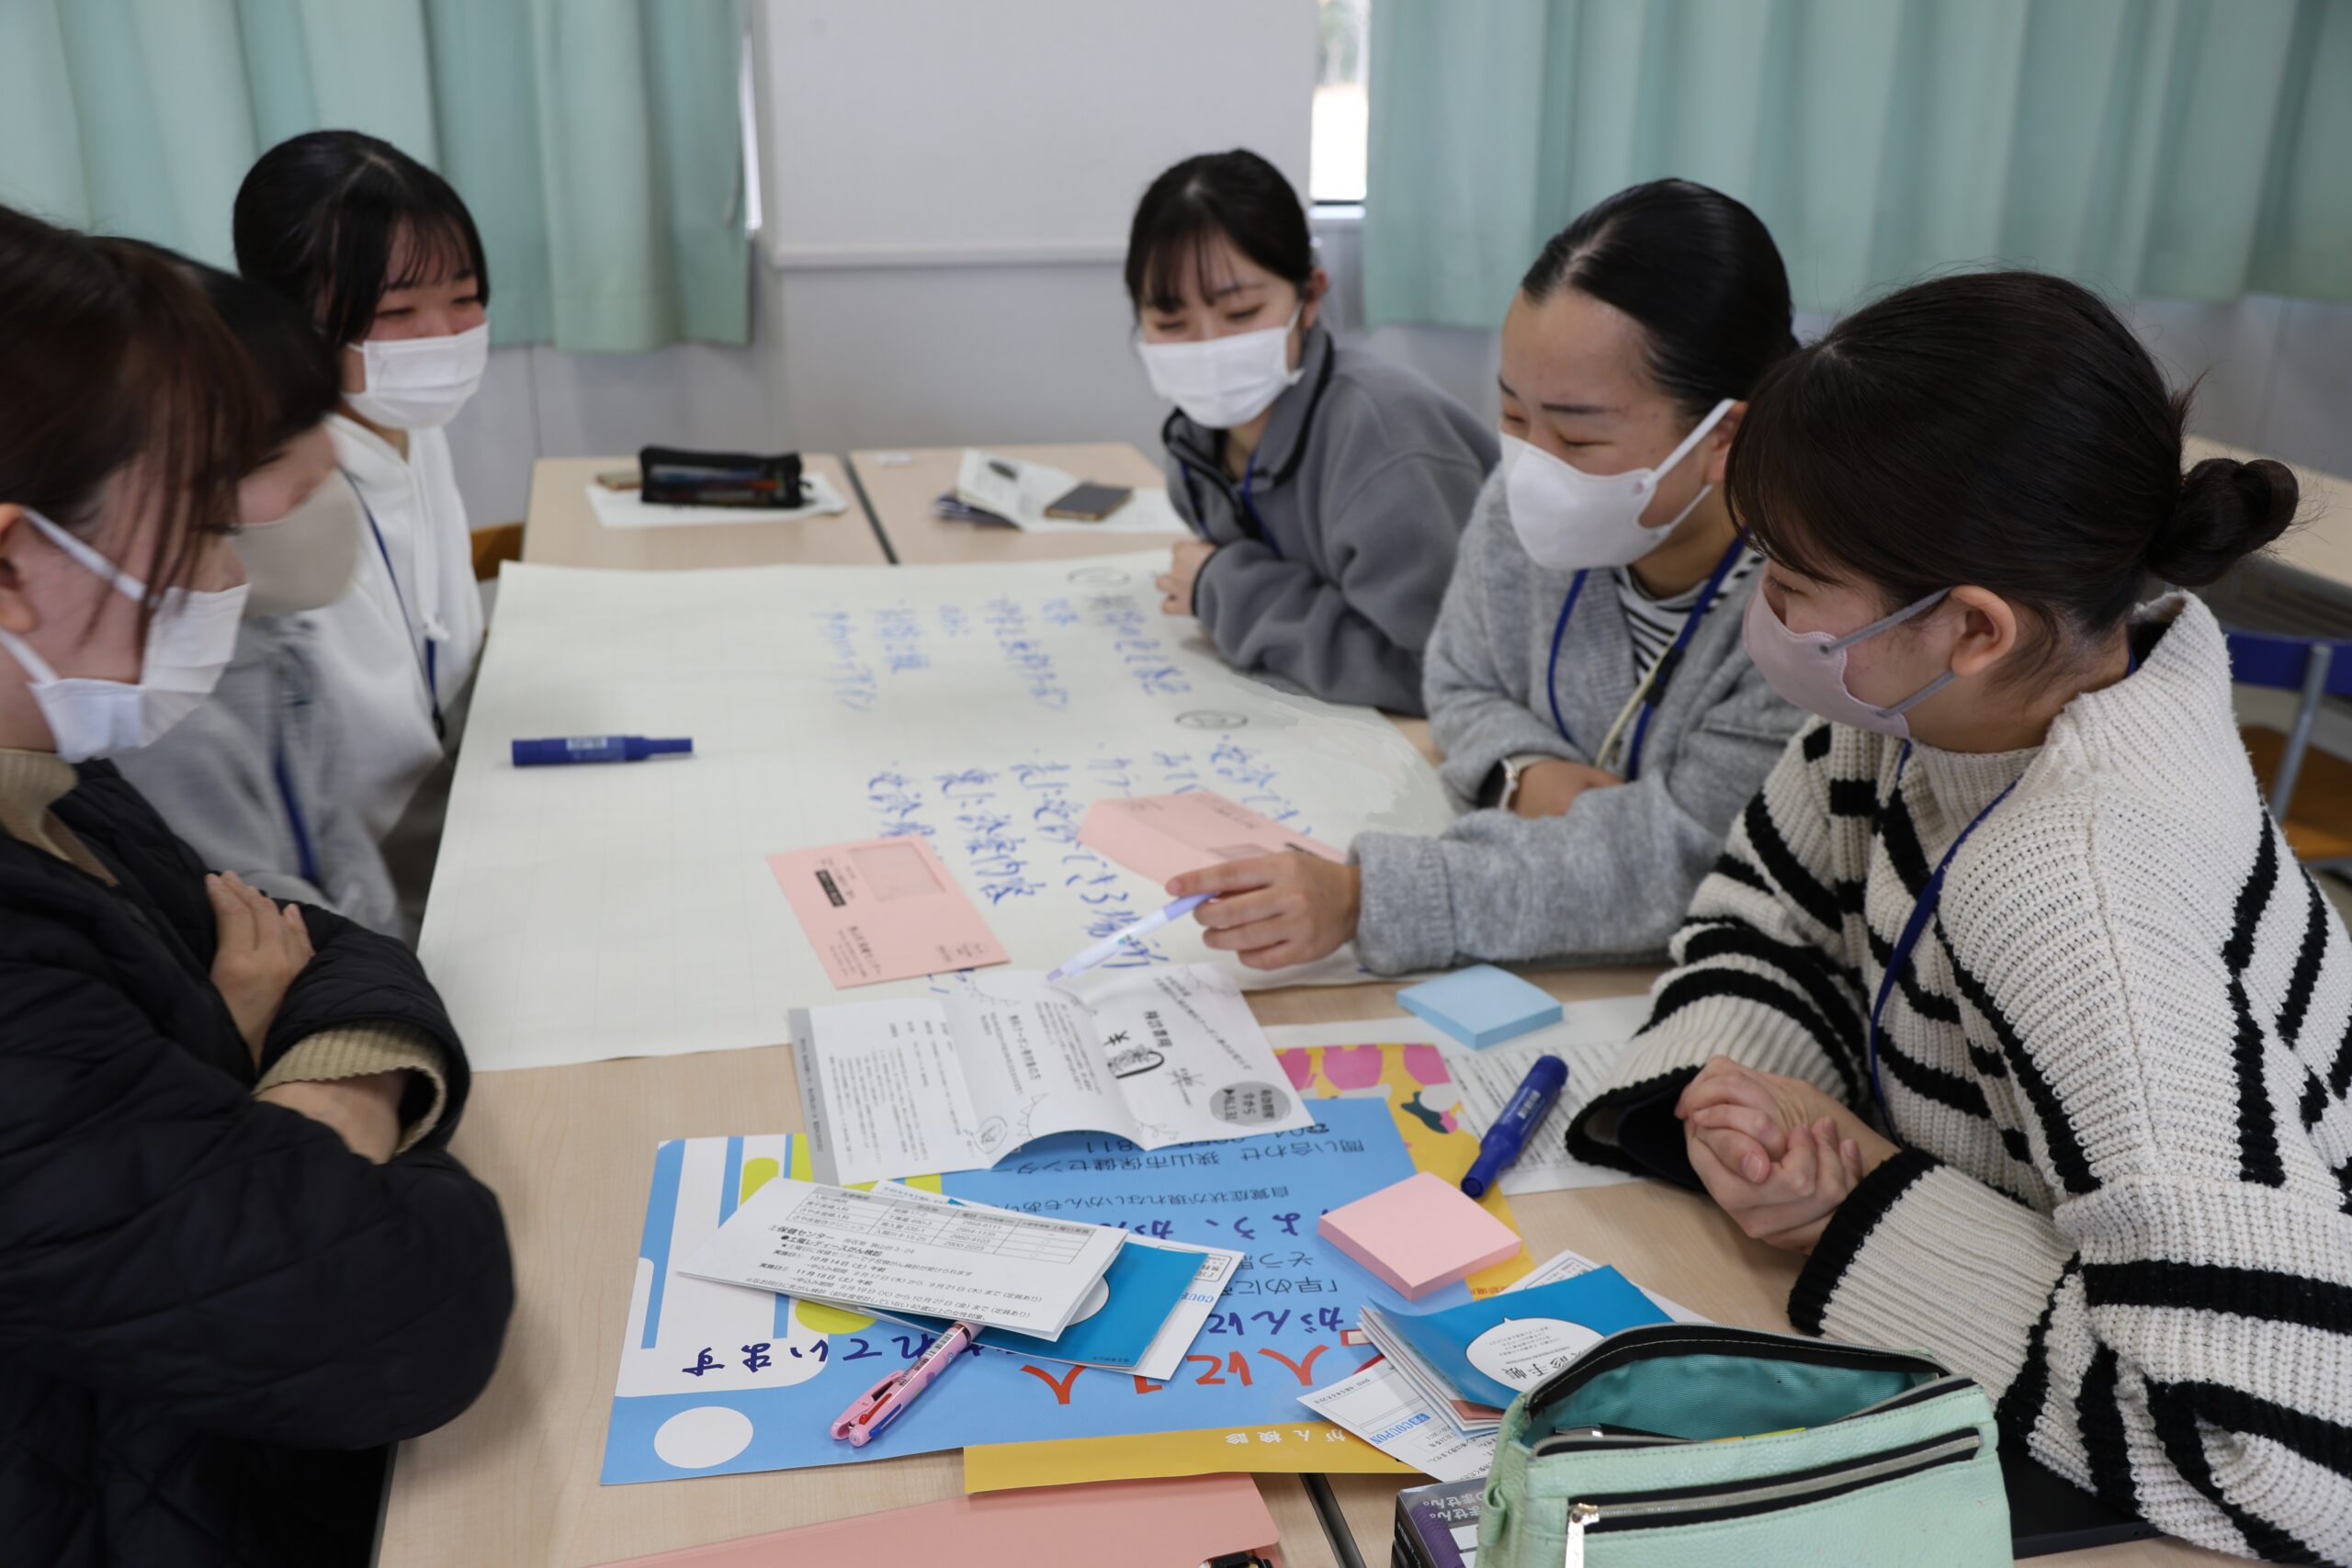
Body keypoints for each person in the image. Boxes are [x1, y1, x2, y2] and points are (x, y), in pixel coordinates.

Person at [1568, 271, 2348, 1562]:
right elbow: (1765, 914)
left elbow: (2289, 1457)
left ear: (1971, 626)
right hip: (2060, 1283)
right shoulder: (1909, 713)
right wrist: (1747, 1103)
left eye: (1792, 578)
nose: (1765, 608)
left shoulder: (2086, 908)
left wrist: (1870, 1215)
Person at [0, 206, 512, 1567]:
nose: (228, 575)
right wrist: (289, 1095)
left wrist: (261, 1095)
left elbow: (323, 944)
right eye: (197, 528)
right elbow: (403, 1303)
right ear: (9, 563)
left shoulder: (55, 774)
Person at [1173, 180, 1804, 974]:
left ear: (1724, 435)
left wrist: (1368, 898)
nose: (1531, 463)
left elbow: (1689, 857)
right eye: (1512, 414)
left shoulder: (1806, 605)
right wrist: (1521, 774)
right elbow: (1458, 675)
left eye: (1577, 437)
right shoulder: (1524, 501)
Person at [1129, 149, 1496, 714]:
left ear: (1309, 297)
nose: (1208, 346)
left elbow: (1445, 671)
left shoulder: (1383, 439)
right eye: (1171, 323)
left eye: (1241, 313)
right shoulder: (1193, 448)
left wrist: (1230, 593)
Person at [234, 130, 492, 928]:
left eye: (464, 297)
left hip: (467, 801)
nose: (442, 336)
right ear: (291, 322)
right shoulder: (283, 495)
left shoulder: (410, 425)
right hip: (373, 889)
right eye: (397, 312)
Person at [114, 254, 404, 935]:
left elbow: (340, 839)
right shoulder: (153, 714)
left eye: (321, 420)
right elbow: (264, 922)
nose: (324, 463)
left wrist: (391, 953)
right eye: (270, 454)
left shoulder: (272, 637)